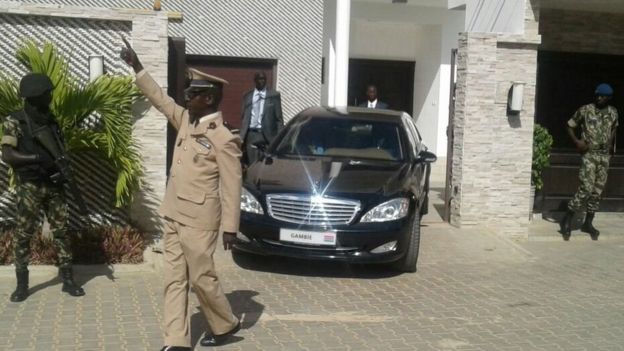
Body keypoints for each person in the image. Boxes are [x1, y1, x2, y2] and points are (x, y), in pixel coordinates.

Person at [120, 39, 242, 350]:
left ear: (209, 98)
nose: (186, 99)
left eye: (192, 94)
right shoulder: (185, 120)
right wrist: (137, 66)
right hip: (173, 213)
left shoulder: (223, 137)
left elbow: (231, 184)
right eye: (187, 93)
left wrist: (230, 226)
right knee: (174, 279)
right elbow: (161, 100)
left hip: (200, 220)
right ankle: (177, 341)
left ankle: (225, 323)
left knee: (202, 278)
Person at [1, 73, 85, 302]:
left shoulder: (51, 120)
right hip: (29, 186)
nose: (51, 96)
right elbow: (8, 155)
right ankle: (22, 285)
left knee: (62, 232)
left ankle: (68, 279)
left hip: (53, 183)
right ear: (35, 95)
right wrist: (36, 158)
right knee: (23, 234)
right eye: (47, 92)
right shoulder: (14, 121)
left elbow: (60, 150)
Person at [560, 83, 619, 241]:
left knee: (597, 190)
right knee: (586, 188)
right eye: (597, 95)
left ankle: (588, 223)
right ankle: (567, 219)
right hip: (589, 154)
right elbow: (569, 125)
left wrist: (611, 148)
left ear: (609, 98)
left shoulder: (613, 112)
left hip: (604, 156)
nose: (599, 98)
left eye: (603, 96)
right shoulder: (585, 110)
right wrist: (577, 142)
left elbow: (614, 128)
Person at [239, 72, 283, 165]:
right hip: (252, 134)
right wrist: (242, 136)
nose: (262, 81)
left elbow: (279, 119)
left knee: (266, 163)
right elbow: (244, 116)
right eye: (259, 79)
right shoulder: (248, 95)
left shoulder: (274, 95)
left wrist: (279, 138)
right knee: (252, 163)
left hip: (268, 135)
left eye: (264, 79)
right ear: (255, 81)